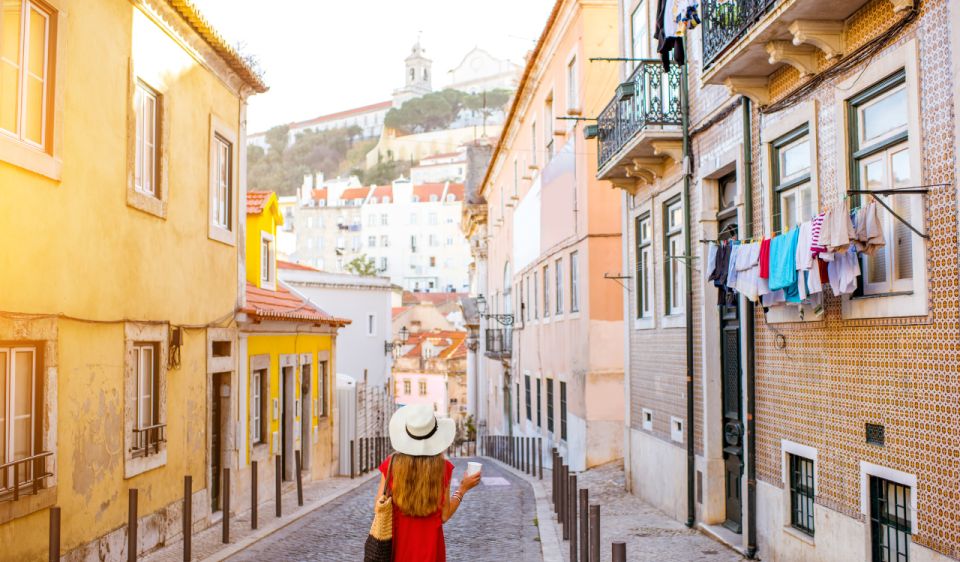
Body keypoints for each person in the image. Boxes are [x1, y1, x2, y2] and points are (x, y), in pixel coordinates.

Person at [376, 404, 482, 562]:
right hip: (431, 550)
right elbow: (444, 515)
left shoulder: (391, 465)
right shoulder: (442, 468)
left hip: (397, 550)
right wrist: (462, 489)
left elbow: (379, 507)